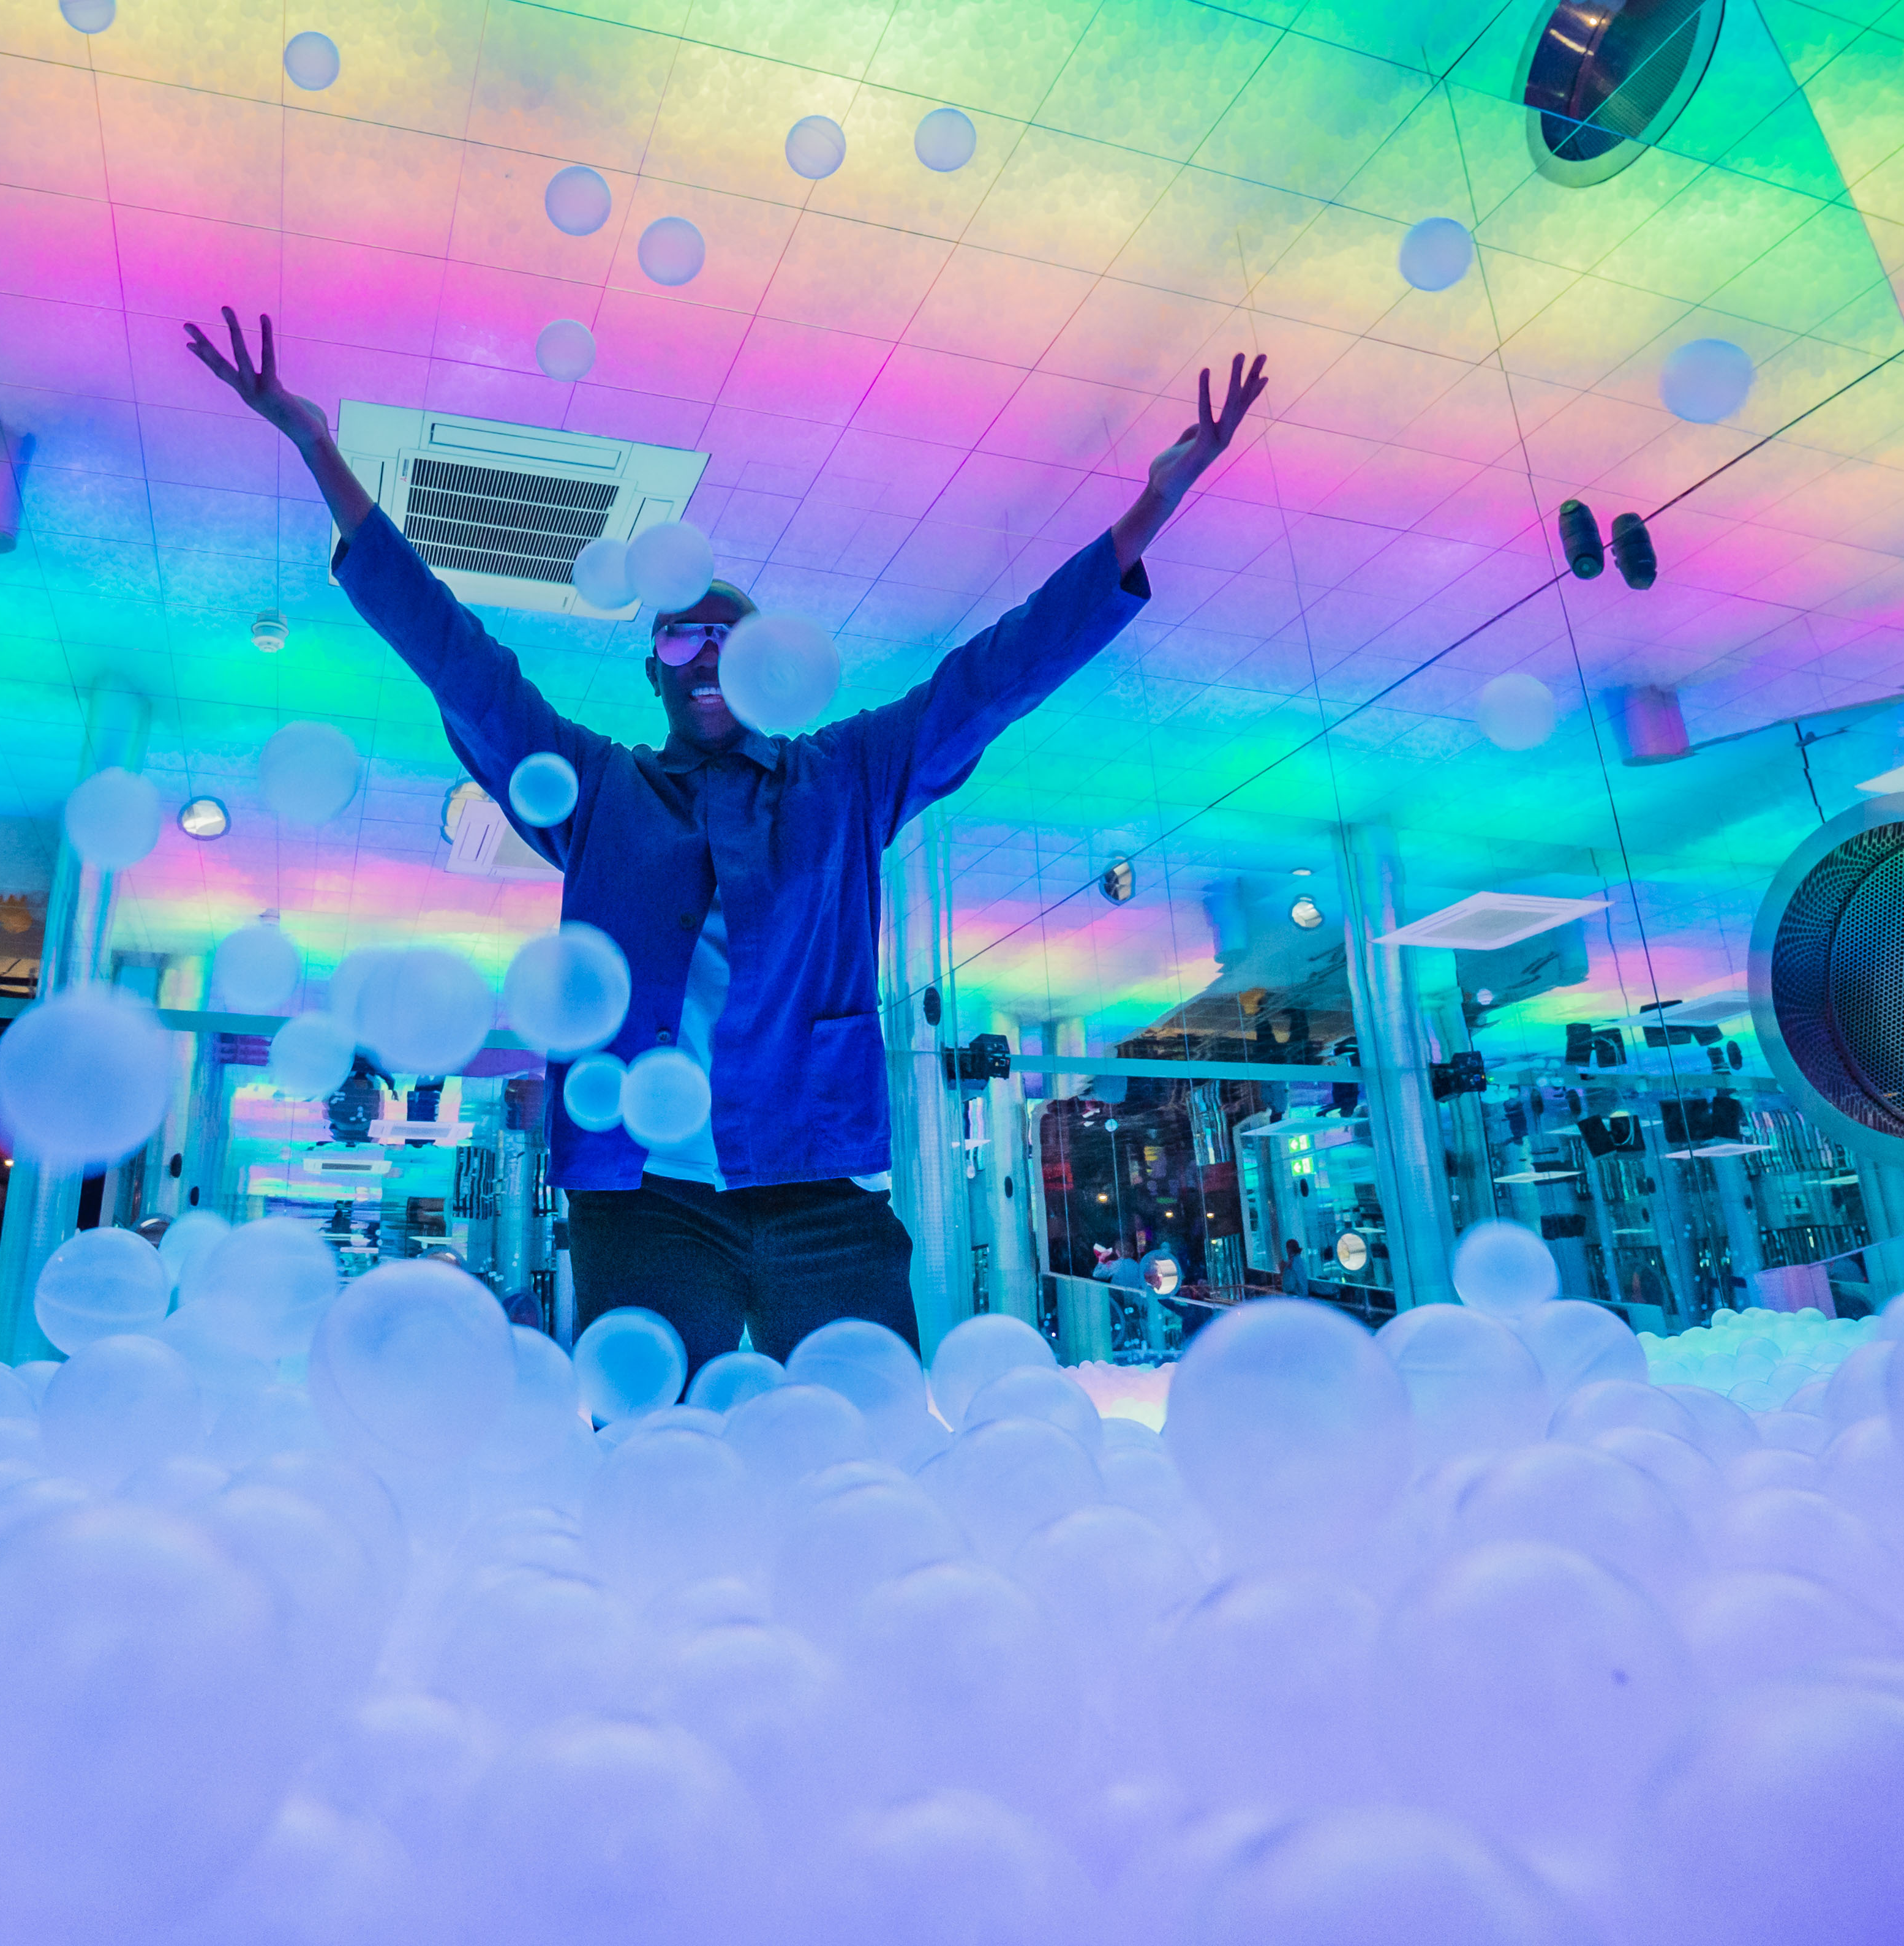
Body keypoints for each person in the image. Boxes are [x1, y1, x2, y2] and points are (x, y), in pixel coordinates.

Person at [187, 308, 1265, 1373]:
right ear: (653, 667)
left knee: (864, 1444)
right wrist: (320, 450)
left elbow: (991, 681)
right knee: (654, 1464)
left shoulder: (842, 779)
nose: (704, 652)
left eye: (727, 634)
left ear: (769, 661)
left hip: (815, 1186)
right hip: (646, 1200)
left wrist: (1146, 514)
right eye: (678, 633)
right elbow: (462, 664)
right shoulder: (599, 791)